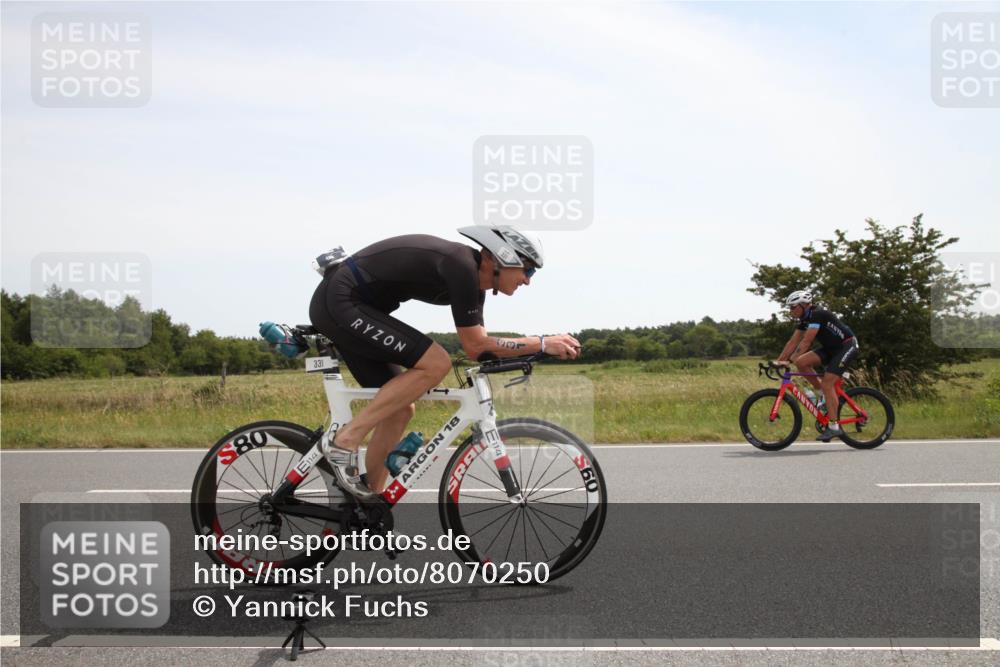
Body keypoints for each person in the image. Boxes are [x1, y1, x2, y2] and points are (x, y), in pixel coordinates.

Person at [308, 226, 582, 499]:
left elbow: (479, 348)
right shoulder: (460, 265)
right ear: (504, 256)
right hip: (341, 302)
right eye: (529, 270)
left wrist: (539, 350)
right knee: (437, 362)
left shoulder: (475, 287)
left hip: (351, 308)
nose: (527, 280)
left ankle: (367, 507)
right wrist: (543, 342)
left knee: (400, 410)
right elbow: (476, 345)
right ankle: (346, 440)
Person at [773, 290, 860, 442]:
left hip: (846, 346)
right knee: (802, 363)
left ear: (804, 305)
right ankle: (823, 397)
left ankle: (834, 427)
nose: (790, 311)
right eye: (790, 307)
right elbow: (792, 342)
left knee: (828, 383)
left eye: (793, 307)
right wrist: (779, 361)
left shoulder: (817, 314)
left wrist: (790, 360)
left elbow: (806, 342)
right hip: (831, 348)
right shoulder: (804, 319)